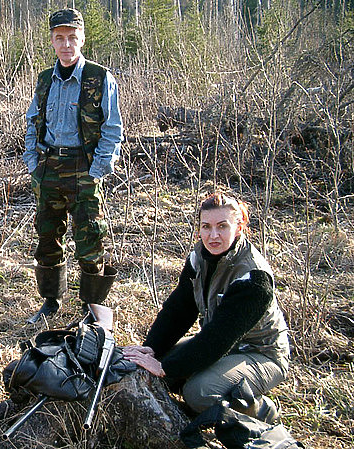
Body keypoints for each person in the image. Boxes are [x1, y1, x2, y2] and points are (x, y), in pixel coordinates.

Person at [123, 192, 290, 423]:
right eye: (206, 226)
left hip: (261, 352)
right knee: (161, 365)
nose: (213, 235)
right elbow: (179, 310)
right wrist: (151, 349)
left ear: (239, 228)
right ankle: (217, 395)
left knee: (198, 392)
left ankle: (261, 409)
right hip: (222, 343)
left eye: (222, 226)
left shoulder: (253, 277)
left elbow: (219, 338)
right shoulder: (199, 257)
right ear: (199, 229)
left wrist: (165, 367)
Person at [23, 8, 123, 324]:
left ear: (82, 39)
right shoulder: (43, 80)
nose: (66, 44)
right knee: (47, 235)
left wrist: (97, 170)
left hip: (84, 166)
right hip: (50, 165)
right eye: (59, 38)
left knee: (90, 235)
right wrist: (33, 163)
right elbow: (32, 121)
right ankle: (51, 301)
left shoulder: (99, 77)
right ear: (52, 42)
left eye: (72, 38)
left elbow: (112, 127)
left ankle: (90, 307)